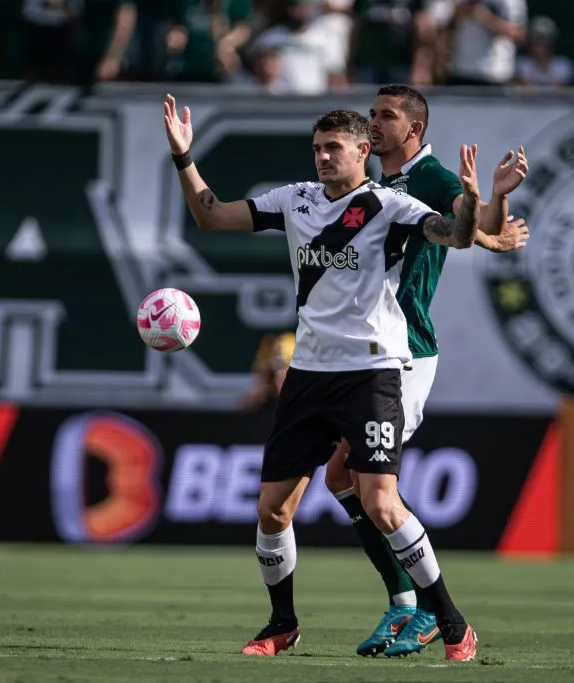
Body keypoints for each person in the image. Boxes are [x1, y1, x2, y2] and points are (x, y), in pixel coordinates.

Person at [163, 94, 482, 661]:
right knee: (271, 509)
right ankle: (281, 624)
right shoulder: (296, 200)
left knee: (381, 502)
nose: (323, 158)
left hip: (372, 372)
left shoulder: (390, 207)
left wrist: (484, 202)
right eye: (317, 149)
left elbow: (454, 234)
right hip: (308, 373)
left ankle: (452, 621)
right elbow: (211, 215)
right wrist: (184, 157)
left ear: (363, 151)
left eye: (333, 149)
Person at [324, 84, 529, 658]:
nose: (374, 123)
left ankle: (433, 613)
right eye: (371, 115)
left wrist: (495, 203)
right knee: (342, 478)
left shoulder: (431, 176)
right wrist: (493, 236)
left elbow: (468, 222)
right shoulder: (370, 182)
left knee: (373, 488)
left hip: (406, 348)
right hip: (364, 347)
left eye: (385, 116)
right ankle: (405, 603)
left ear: (413, 129)